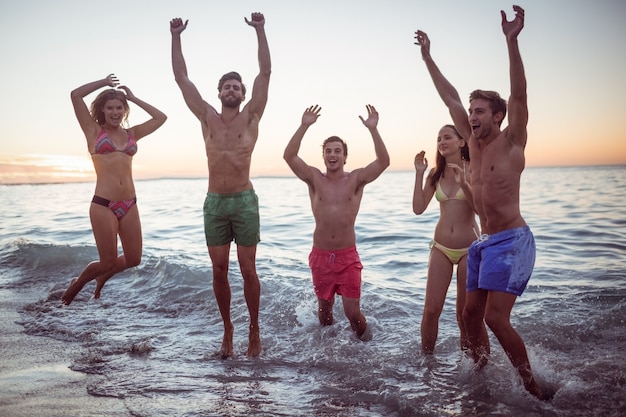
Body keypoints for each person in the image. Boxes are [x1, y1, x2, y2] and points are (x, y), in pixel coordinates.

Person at [415, 6, 547, 399]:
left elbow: (520, 92)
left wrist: (512, 42)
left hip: (513, 241)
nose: (470, 117)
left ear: (499, 116)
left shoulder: (513, 141)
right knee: (469, 315)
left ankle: (530, 385)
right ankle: (480, 378)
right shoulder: (470, 143)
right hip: (484, 244)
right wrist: (427, 58)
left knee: (493, 317)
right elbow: (449, 95)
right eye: (470, 112)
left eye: (479, 112)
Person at [170, 12, 270, 358]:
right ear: (219, 92)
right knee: (218, 269)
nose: (232, 89)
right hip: (214, 202)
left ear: (243, 94)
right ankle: (228, 328)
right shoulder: (206, 116)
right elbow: (181, 78)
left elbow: (265, 73)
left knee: (247, 269)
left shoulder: (251, 116)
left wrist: (260, 30)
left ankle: (254, 329)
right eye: (226, 86)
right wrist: (176, 36)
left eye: (236, 86)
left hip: (244, 201)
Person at [283, 104, 390, 341]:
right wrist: (304, 126)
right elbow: (289, 156)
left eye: (337, 151)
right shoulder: (314, 178)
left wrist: (373, 130)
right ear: (323, 155)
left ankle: (367, 347)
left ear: (344, 156)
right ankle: (330, 354)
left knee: (352, 312)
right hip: (321, 256)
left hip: (347, 257)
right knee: (324, 314)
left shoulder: (356, 179)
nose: (333, 155)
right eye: (328, 151)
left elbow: (383, 162)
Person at [62, 74, 167, 305]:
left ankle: (101, 279)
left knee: (134, 259)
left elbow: (161, 117)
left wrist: (134, 97)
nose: (115, 112)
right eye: (110, 108)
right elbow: (75, 95)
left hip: (130, 204)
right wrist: (104, 82)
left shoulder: (132, 134)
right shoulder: (93, 131)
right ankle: (77, 285)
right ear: (102, 110)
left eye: (119, 107)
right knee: (107, 261)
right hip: (103, 204)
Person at [413, 124, 478, 354]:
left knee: (463, 315)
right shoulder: (435, 174)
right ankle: (426, 362)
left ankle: (467, 363)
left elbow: (480, 210)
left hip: (469, 249)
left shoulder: (472, 170)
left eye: (447, 137)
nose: (441, 141)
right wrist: (420, 174)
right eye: (438, 138)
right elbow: (418, 208)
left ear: (462, 142)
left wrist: (465, 184)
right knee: (431, 310)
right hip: (441, 247)